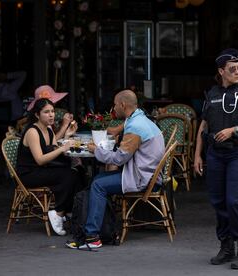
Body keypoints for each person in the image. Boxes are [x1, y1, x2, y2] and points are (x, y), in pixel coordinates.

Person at [66, 90, 165, 249]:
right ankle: (103, 228)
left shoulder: (135, 127)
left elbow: (119, 159)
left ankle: (92, 237)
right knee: (97, 180)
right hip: (148, 172)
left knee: (98, 185)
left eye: (115, 105)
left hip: (141, 177)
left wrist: (96, 151)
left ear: (122, 105)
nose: (113, 108)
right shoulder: (139, 118)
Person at [194, 48, 238, 269]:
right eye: (232, 69)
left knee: (234, 201)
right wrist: (197, 154)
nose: (237, 72)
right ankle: (226, 247)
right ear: (221, 71)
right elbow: (203, 126)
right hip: (215, 155)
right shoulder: (212, 94)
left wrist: (234, 130)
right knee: (219, 202)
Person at [16, 98, 80, 236]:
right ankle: (58, 212)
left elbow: (52, 148)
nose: (51, 115)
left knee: (77, 172)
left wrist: (67, 135)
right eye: (46, 112)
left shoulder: (48, 129)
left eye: (52, 111)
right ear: (37, 115)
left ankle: (65, 211)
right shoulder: (33, 131)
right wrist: (63, 148)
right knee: (68, 175)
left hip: (42, 169)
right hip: (29, 173)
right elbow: (40, 159)